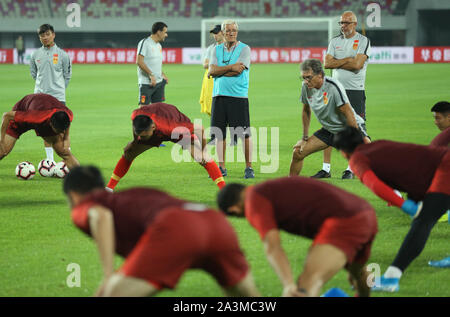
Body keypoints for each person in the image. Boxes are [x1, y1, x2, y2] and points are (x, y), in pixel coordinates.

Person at [64, 166, 260, 297]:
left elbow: (101, 216)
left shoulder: (87, 203)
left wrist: (108, 276)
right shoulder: (136, 194)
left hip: (177, 228)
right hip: (215, 222)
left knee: (111, 293)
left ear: (73, 195)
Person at [216, 177, 378, 297]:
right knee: (359, 273)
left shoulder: (253, 200)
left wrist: (288, 284)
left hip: (345, 222)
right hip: (366, 213)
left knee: (305, 285)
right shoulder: (267, 189)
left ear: (234, 210)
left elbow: (272, 247)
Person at [333, 127, 450, 292]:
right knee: (429, 215)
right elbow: (412, 167)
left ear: (343, 152)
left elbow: (375, 185)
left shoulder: (357, 160)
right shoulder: (377, 145)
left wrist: (404, 206)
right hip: (440, 167)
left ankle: (391, 278)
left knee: (423, 221)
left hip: (445, 168)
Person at [105, 102, 225, 191]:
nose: (142, 138)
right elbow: (136, 130)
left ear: (152, 128)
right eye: (140, 135)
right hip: (157, 124)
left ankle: (224, 190)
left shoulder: (173, 127)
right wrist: (134, 142)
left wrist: (204, 150)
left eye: (144, 136)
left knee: (201, 158)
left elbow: (200, 129)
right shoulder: (135, 115)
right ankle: (109, 188)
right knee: (129, 153)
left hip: (173, 124)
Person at [312, 11, 371, 180]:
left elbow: (358, 65)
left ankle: (351, 168)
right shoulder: (334, 41)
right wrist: (348, 60)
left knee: (355, 129)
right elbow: (327, 63)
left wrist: (340, 61)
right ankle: (326, 168)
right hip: (335, 90)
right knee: (329, 125)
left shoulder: (363, 41)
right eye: (341, 23)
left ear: (354, 23)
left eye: (346, 23)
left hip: (355, 90)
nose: (343, 26)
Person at [289, 58, 369, 177]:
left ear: (320, 75)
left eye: (309, 77)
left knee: (370, 158)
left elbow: (348, 112)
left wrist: (355, 138)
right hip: (329, 130)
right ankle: (290, 187)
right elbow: (306, 110)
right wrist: (304, 138)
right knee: (297, 153)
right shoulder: (306, 87)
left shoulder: (333, 87)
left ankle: (392, 188)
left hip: (348, 128)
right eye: (303, 77)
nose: (306, 81)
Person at [208, 20, 254, 179]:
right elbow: (211, 71)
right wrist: (229, 67)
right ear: (222, 32)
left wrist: (219, 71)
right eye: (228, 30)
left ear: (237, 32)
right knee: (219, 134)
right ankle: (221, 168)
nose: (231, 33)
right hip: (219, 95)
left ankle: (249, 167)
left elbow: (238, 71)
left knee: (244, 134)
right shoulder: (216, 49)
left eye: (234, 30)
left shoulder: (245, 49)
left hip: (238, 96)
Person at [0, 93, 79, 169]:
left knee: (64, 152)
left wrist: (66, 138)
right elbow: (6, 115)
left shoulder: (68, 114)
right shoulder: (36, 117)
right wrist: (1, 140)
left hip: (40, 112)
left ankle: (83, 178)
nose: (62, 133)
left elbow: (66, 127)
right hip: (24, 112)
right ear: (51, 124)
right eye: (59, 131)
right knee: (3, 151)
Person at [30, 24, 72, 163]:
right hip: (40, 98)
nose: (45, 37)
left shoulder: (62, 55)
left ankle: (66, 161)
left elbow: (67, 75)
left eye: (47, 34)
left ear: (53, 34)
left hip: (58, 98)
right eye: (42, 35)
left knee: (62, 130)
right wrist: (43, 88)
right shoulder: (35, 55)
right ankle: (50, 162)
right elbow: (34, 74)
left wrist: (58, 89)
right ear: (39, 37)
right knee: (44, 130)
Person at [136, 22, 169, 105]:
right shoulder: (145, 43)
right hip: (147, 83)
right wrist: (151, 75)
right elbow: (139, 62)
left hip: (159, 83)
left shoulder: (159, 46)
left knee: (158, 110)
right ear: (159, 32)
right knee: (143, 110)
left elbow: (155, 63)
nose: (166, 35)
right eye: (165, 32)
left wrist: (162, 74)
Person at [199, 25, 224, 116]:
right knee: (213, 106)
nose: (215, 35)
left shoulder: (230, 47)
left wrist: (212, 63)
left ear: (223, 32)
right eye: (214, 33)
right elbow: (205, 65)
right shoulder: (211, 48)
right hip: (212, 79)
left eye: (216, 33)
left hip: (225, 79)